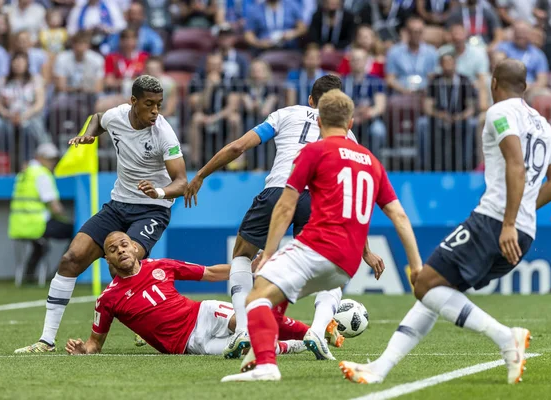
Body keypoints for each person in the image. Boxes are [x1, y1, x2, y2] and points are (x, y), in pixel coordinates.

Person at [339, 59, 551, 385]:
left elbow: (515, 166)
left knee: (424, 283)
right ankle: (381, 367)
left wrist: (507, 221)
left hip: (494, 221)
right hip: (524, 231)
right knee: (436, 291)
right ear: (526, 87)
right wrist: (521, 216)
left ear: (492, 84)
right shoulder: (542, 123)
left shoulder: (500, 112)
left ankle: (506, 338)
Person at [220, 89, 422, 382]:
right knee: (278, 297)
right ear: (351, 123)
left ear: (318, 120)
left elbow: (286, 205)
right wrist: (415, 266)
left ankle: (266, 364)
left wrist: (271, 252)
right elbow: (399, 216)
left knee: (258, 294)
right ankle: (310, 332)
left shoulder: (313, 152)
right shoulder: (371, 161)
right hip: (346, 264)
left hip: (316, 247)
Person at [184, 75, 386, 363]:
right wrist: (365, 251)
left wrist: (201, 174)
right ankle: (317, 330)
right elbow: (350, 197)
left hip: (279, 191)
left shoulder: (286, 113)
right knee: (331, 265)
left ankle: (242, 329)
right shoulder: (347, 137)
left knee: (242, 254)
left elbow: (238, 147)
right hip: (318, 202)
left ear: (312, 100)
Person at [14, 75, 188, 354]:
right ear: (133, 102)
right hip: (118, 204)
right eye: (149, 104)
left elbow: (182, 182)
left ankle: (143, 323)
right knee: (70, 259)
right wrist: (90, 134)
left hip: (152, 210)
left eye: (159, 105)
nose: (155, 111)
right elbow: (98, 117)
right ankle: (46, 340)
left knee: (124, 262)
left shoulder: (164, 134)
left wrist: (158, 192)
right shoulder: (117, 115)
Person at [65, 231, 307, 356]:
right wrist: (82, 350)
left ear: (135, 247)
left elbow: (211, 273)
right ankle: (299, 345)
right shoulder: (107, 299)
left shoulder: (160, 266)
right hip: (187, 344)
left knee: (248, 321)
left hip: (203, 314)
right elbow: (94, 344)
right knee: (248, 348)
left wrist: (248, 268)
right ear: (107, 258)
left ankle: (314, 331)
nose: (121, 251)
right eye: (113, 249)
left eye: (124, 245)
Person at [8, 143, 73, 284]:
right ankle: (62, 273)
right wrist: (64, 216)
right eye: (49, 159)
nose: (52, 162)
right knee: (77, 232)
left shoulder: (24, 173)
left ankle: (28, 275)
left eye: (54, 159)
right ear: (39, 157)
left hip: (18, 226)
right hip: (37, 225)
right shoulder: (42, 174)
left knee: (39, 245)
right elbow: (55, 207)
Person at [418, 52, 477, 171]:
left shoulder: (464, 80)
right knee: (422, 123)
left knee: (472, 124)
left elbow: (471, 108)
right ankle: (425, 165)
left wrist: (460, 117)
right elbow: (427, 107)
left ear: (455, 64)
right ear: (440, 65)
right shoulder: (435, 80)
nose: (448, 66)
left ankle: (468, 165)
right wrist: (439, 115)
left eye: (451, 62)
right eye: (445, 63)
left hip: (460, 118)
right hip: (438, 118)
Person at [0, 52, 49, 166]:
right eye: (15, 61)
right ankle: (7, 164)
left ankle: (27, 164)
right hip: (8, 117)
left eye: (21, 62)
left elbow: (39, 103)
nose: (18, 64)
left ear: (27, 64)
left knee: (28, 128)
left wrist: (24, 115)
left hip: (30, 116)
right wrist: (8, 114)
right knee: (3, 128)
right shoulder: (3, 80)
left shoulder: (35, 79)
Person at [342, 48, 387, 154]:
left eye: (360, 59)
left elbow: (380, 107)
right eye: (354, 60)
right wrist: (354, 116)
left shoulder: (376, 81)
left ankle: (373, 163)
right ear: (349, 62)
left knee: (378, 131)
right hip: (347, 121)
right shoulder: (342, 82)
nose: (356, 62)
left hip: (370, 120)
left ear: (366, 61)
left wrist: (366, 115)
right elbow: (338, 107)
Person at [496, 21, 551, 104]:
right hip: (508, 86)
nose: (520, 35)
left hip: (530, 88)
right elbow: (498, 66)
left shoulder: (538, 54)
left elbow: (542, 80)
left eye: (524, 32)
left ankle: (536, 117)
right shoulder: (504, 47)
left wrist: (529, 87)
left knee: (546, 94)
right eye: (518, 31)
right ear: (513, 33)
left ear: (530, 34)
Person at [385, 16, 438, 94]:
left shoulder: (432, 52)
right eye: (414, 32)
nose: (417, 35)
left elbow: (433, 77)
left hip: (425, 94)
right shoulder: (394, 52)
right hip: (401, 93)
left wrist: (425, 90)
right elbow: (390, 78)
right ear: (407, 32)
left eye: (420, 32)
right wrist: (404, 91)